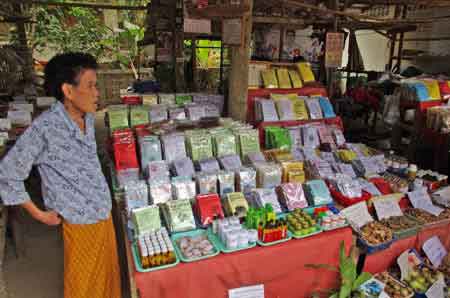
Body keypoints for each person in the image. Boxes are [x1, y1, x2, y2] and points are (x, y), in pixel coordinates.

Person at [0, 52, 121, 298]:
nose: (97, 93)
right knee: (84, 288)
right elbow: (8, 173)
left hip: (103, 215)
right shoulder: (44, 129)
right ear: (68, 90)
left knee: (108, 280)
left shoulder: (86, 118)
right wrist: (40, 215)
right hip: (79, 224)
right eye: (90, 86)